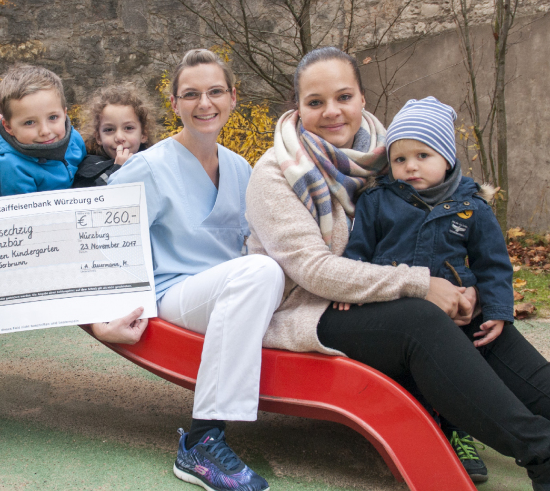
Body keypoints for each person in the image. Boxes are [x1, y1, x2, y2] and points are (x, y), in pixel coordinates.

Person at [244, 46, 550, 491]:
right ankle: (539, 450)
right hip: (312, 310)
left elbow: (444, 230)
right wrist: (423, 284)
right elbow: (314, 270)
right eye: (315, 102)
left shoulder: (393, 154)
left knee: (479, 318)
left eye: (343, 96)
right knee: (419, 319)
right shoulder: (274, 173)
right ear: (298, 108)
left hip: (379, 296)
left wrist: (467, 288)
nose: (332, 111)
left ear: (363, 99)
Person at [108, 49, 284, 491]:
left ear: (232, 97)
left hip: (231, 294)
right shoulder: (147, 167)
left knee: (266, 270)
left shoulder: (243, 169)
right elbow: (101, 241)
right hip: (174, 297)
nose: (204, 104)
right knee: (261, 272)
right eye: (191, 94)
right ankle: (204, 438)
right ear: (174, 104)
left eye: (214, 92)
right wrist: (103, 316)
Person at [337, 95, 513, 481]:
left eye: (423, 156)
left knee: (455, 371)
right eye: (400, 159)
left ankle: (456, 429)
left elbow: (493, 264)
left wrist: (497, 309)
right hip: (395, 306)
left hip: (453, 311)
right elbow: (358, 251)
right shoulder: (379, 201)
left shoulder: (472, 208)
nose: (410, 167)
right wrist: (350, 291)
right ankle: (416, 425)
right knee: (408, 372)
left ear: (447, 159)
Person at [0, 64, 86, 196]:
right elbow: (25, 215)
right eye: (29, 122)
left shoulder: (74, 139)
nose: (45, 131)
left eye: (53, 117)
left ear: (64, 114)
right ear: (8, 127)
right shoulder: (11, 166)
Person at [72, 83, 158, 188]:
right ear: (98, 137)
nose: (119, 138)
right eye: (109, 130)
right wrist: (119, 169)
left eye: (128, 128)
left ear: (143, 134)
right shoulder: (88, 168)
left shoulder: (155, 165)